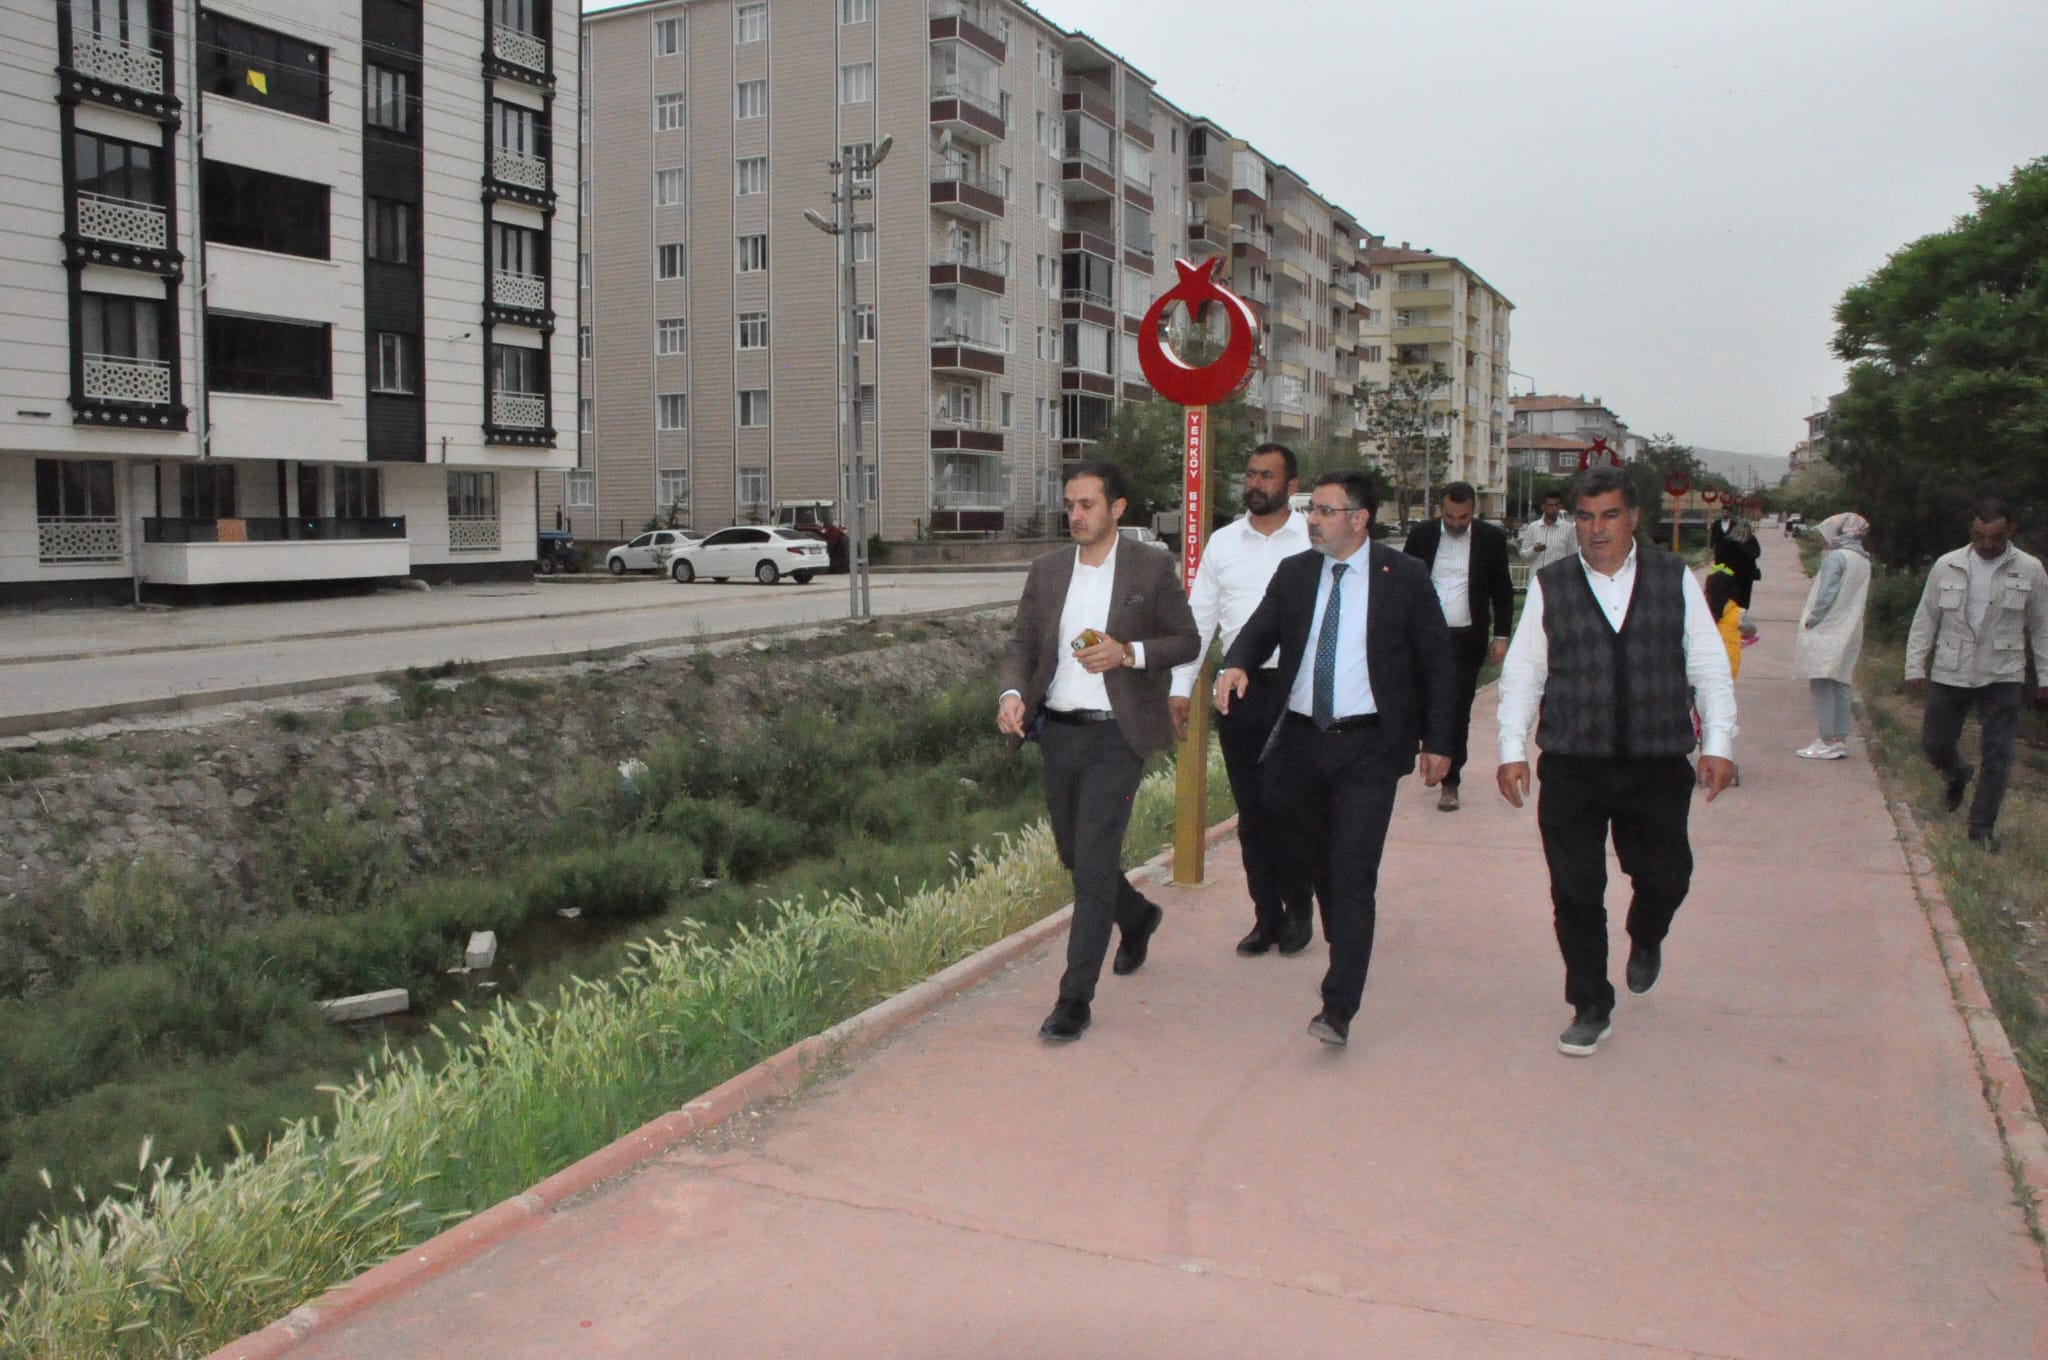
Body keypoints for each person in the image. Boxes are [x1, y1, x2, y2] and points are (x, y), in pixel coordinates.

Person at [1494, 466, 1737, 1058]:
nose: (1596, 528)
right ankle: (1590, 1004)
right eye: (1585, 517)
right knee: (1575, 891)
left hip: (1656, 763)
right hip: (1573, 764)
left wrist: (1718, 743)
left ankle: (1646, 933)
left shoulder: (1672, 578)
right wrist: (1511, 749)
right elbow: (1524, 672)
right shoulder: (1551, 584)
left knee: (1666, 876)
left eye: (1609, 515)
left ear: (1632, 518)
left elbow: (1707, 663)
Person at [1214, 469, 1455, 1048]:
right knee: (1320, 864)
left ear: (1359, 518)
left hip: (1368, 747)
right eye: (1312, 511)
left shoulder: (1404, 577)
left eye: (1324, 511)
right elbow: (1260, 629)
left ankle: (1339, 1004)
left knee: (1352, 872)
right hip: (1301, 744)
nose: (1312, 521)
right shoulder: (1296, 572)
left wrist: (1441, 741)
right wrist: (1236, 663)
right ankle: (1337, 938)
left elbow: (1438, 664)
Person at [998, 460, 1200, 1042]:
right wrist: (1011, 694)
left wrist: (1128, 653)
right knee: (1074, 852)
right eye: (1070, 504)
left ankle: (1074, 999)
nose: (1076, 515)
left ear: (1117, 508)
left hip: (1117, 735)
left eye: (1087, 504)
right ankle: (1136, 915)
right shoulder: (1048, 570)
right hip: (1058, 732)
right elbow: (1022, 644)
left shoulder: (1150, 567)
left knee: (1091, 868)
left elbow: (1186, 640)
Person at [1169, 442, 1317, 957]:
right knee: (1253, 812)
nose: (1255, 484)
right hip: (1240, 692)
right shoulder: (1223, 543)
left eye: (1267, 476)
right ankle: (1266, 915)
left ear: (1292, 486)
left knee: (1291, 807)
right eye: (1250, 474)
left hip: (1299, 690)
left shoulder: (1313, 539)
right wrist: (1180, 688)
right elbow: (1198, 622)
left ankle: (1300, 907)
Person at [1903, 499, 2048, 850]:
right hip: (1951, 668)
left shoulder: (2030, 569)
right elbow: (1926, 617)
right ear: (1972, 530)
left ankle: (1981, 828)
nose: (1987, 544)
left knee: (1998, 754)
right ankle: (1957, 772)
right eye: (1980, 536)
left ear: (2010, 531)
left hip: (2003, 672)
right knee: (1935, 743)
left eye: (1995, 537)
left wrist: (2046, 676)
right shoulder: (1948, 565)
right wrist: (1914, 664)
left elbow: (2042, 626)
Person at [1402, 481, 1516, 811]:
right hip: (1425, 637)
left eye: (1463, 517)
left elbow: (1503, 590)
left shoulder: (1490, 539)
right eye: (1450, 517)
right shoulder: (1421, 536)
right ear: (1441, 510)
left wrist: (1501, 636)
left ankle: (1450, 780)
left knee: (1457, 708)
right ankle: (1429, 752)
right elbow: (1402, 585)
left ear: (1473, 511)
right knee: (1422, 702)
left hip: (1467, 638)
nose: (1456, 523)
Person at [1794, 512, 1873, 761]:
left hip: (1828, 627)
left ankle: (1827, 739)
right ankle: (1839, 737)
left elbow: (1826, 593)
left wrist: (1812, 619)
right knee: (1841, 680)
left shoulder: (1837, 558)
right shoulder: (1863, 560)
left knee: (1821, 681)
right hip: (1850, 627)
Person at [1518, 490, 1577, 570]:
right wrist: (1534, 550)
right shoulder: (1533, 527)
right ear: (1543, 507)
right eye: (1550, 505)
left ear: (1560, 506)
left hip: (1557, 576)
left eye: (1556, 505)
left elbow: (1573, 556)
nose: (1554, 508)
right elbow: (1523, 556)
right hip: (1537, 575)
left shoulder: (1569, 529)